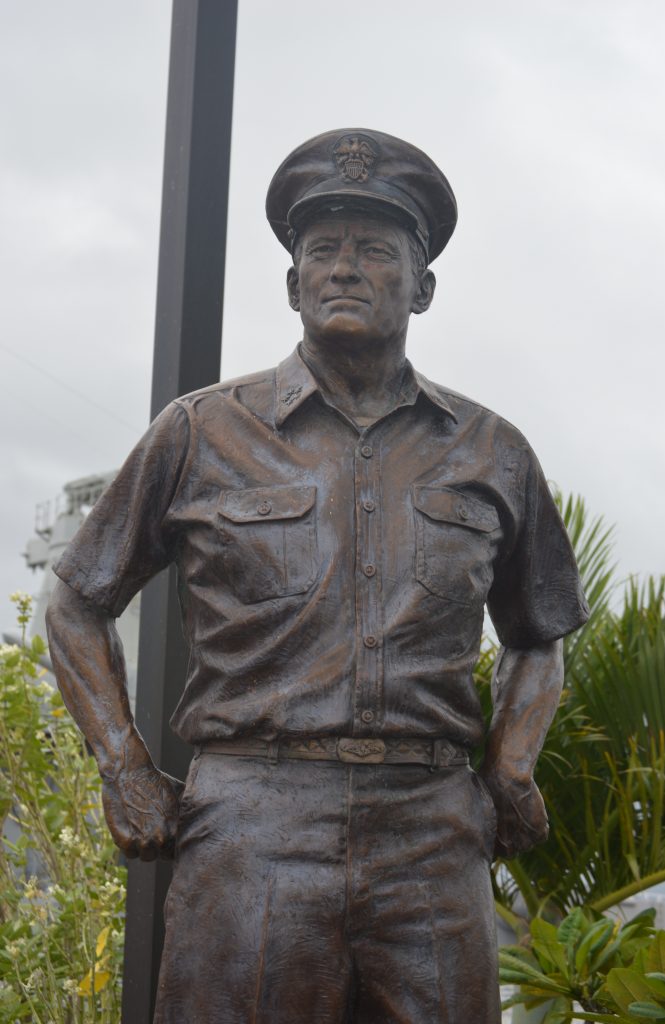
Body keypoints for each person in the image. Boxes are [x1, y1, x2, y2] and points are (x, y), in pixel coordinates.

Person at [46, 129, 589, 1023]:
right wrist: (123, 768)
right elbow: (76, 605)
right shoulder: (199, 434)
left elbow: (538, 637)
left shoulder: (493, 452)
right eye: (321, 250)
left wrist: (511, 771)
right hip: (250, 830)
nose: (344, 268)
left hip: (430, 833)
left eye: (375, 251)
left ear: (421, 286)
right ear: (292, 283)